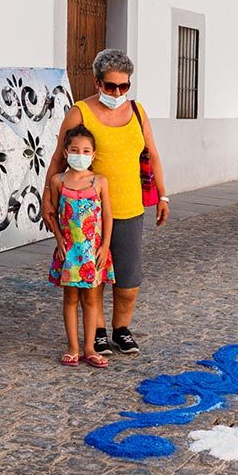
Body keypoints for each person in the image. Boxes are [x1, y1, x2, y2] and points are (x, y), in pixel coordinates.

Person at [42, 49, 170, 356]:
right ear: (98, 83)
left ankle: (121, 329)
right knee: (93, 275)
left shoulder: (137, 112)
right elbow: (60, 157)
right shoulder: (80, 112)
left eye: (124, 86)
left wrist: (163, 195)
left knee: (129, 277)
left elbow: (152, 153)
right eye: (111, 86)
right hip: (86, 211)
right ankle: (96, 332)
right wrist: (48, 196)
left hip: (128, 208)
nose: (117, 93)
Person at [48, 125, 114, 369]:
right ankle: (72, 347)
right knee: (70, 299)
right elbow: (52, 213)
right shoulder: (58, 181)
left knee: (91, 300)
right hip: (69, 251)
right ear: (66, 152)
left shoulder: (99, 182)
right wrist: (58, 240)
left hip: (93, 251)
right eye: (75, 149)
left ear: (93, 154)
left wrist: (105, 246)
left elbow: (108, 215)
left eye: (86, 150)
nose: (80, 154)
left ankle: (89, 347)